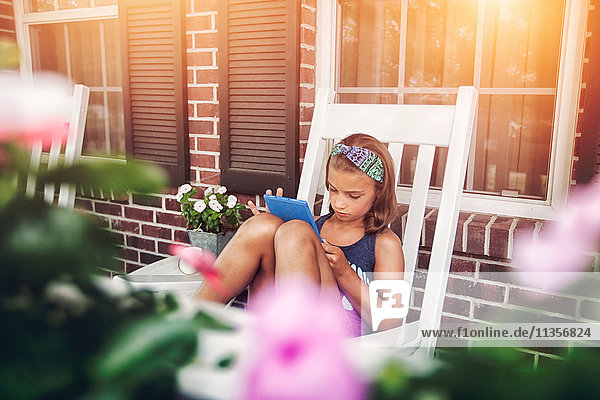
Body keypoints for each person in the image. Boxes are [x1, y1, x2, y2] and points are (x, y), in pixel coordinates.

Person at [194, 133, 405, 336]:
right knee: (265, 224)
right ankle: (188, 322)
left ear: (379, 192)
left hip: (339, 338)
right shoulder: (315, 228)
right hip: (281, 320)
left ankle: (289, 351)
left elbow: (391, 323)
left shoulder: (384, 244)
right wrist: (275, 231)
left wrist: (344, 272)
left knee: (296, 231)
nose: (339, 203)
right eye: (333, 190)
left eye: (353, 196)